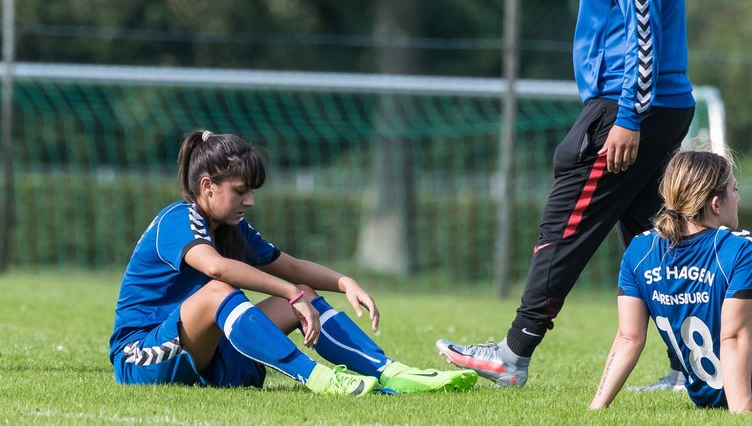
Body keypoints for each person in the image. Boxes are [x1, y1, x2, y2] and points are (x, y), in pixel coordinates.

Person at [437, 0, 694, 388]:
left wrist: (627, 116)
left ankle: (511, 355)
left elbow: (641, 27)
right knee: (655, 235)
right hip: (663, 104)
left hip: (632, 105)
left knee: (567, 218)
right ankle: (692, 363)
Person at [111, 130, 478, 396]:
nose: (250, 200)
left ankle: (390, 371)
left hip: (207, 360)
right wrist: (288, 293)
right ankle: (318, 378)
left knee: (303, 291)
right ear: (207, 186)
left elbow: (291, 267)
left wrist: (344, 282)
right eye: (241, 190)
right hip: (143, 357)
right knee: (219, 291)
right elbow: (216, 269)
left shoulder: (230, 227)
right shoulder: (177, 218)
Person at [591, 150, 752, 412]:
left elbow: (628, 338)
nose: (738, 197)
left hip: (708, 393)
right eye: (734, 189)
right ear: (716, 204)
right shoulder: (741, 246)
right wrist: (741, 417)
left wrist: (596, 407)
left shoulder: (639, 249)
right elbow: (734, 338)